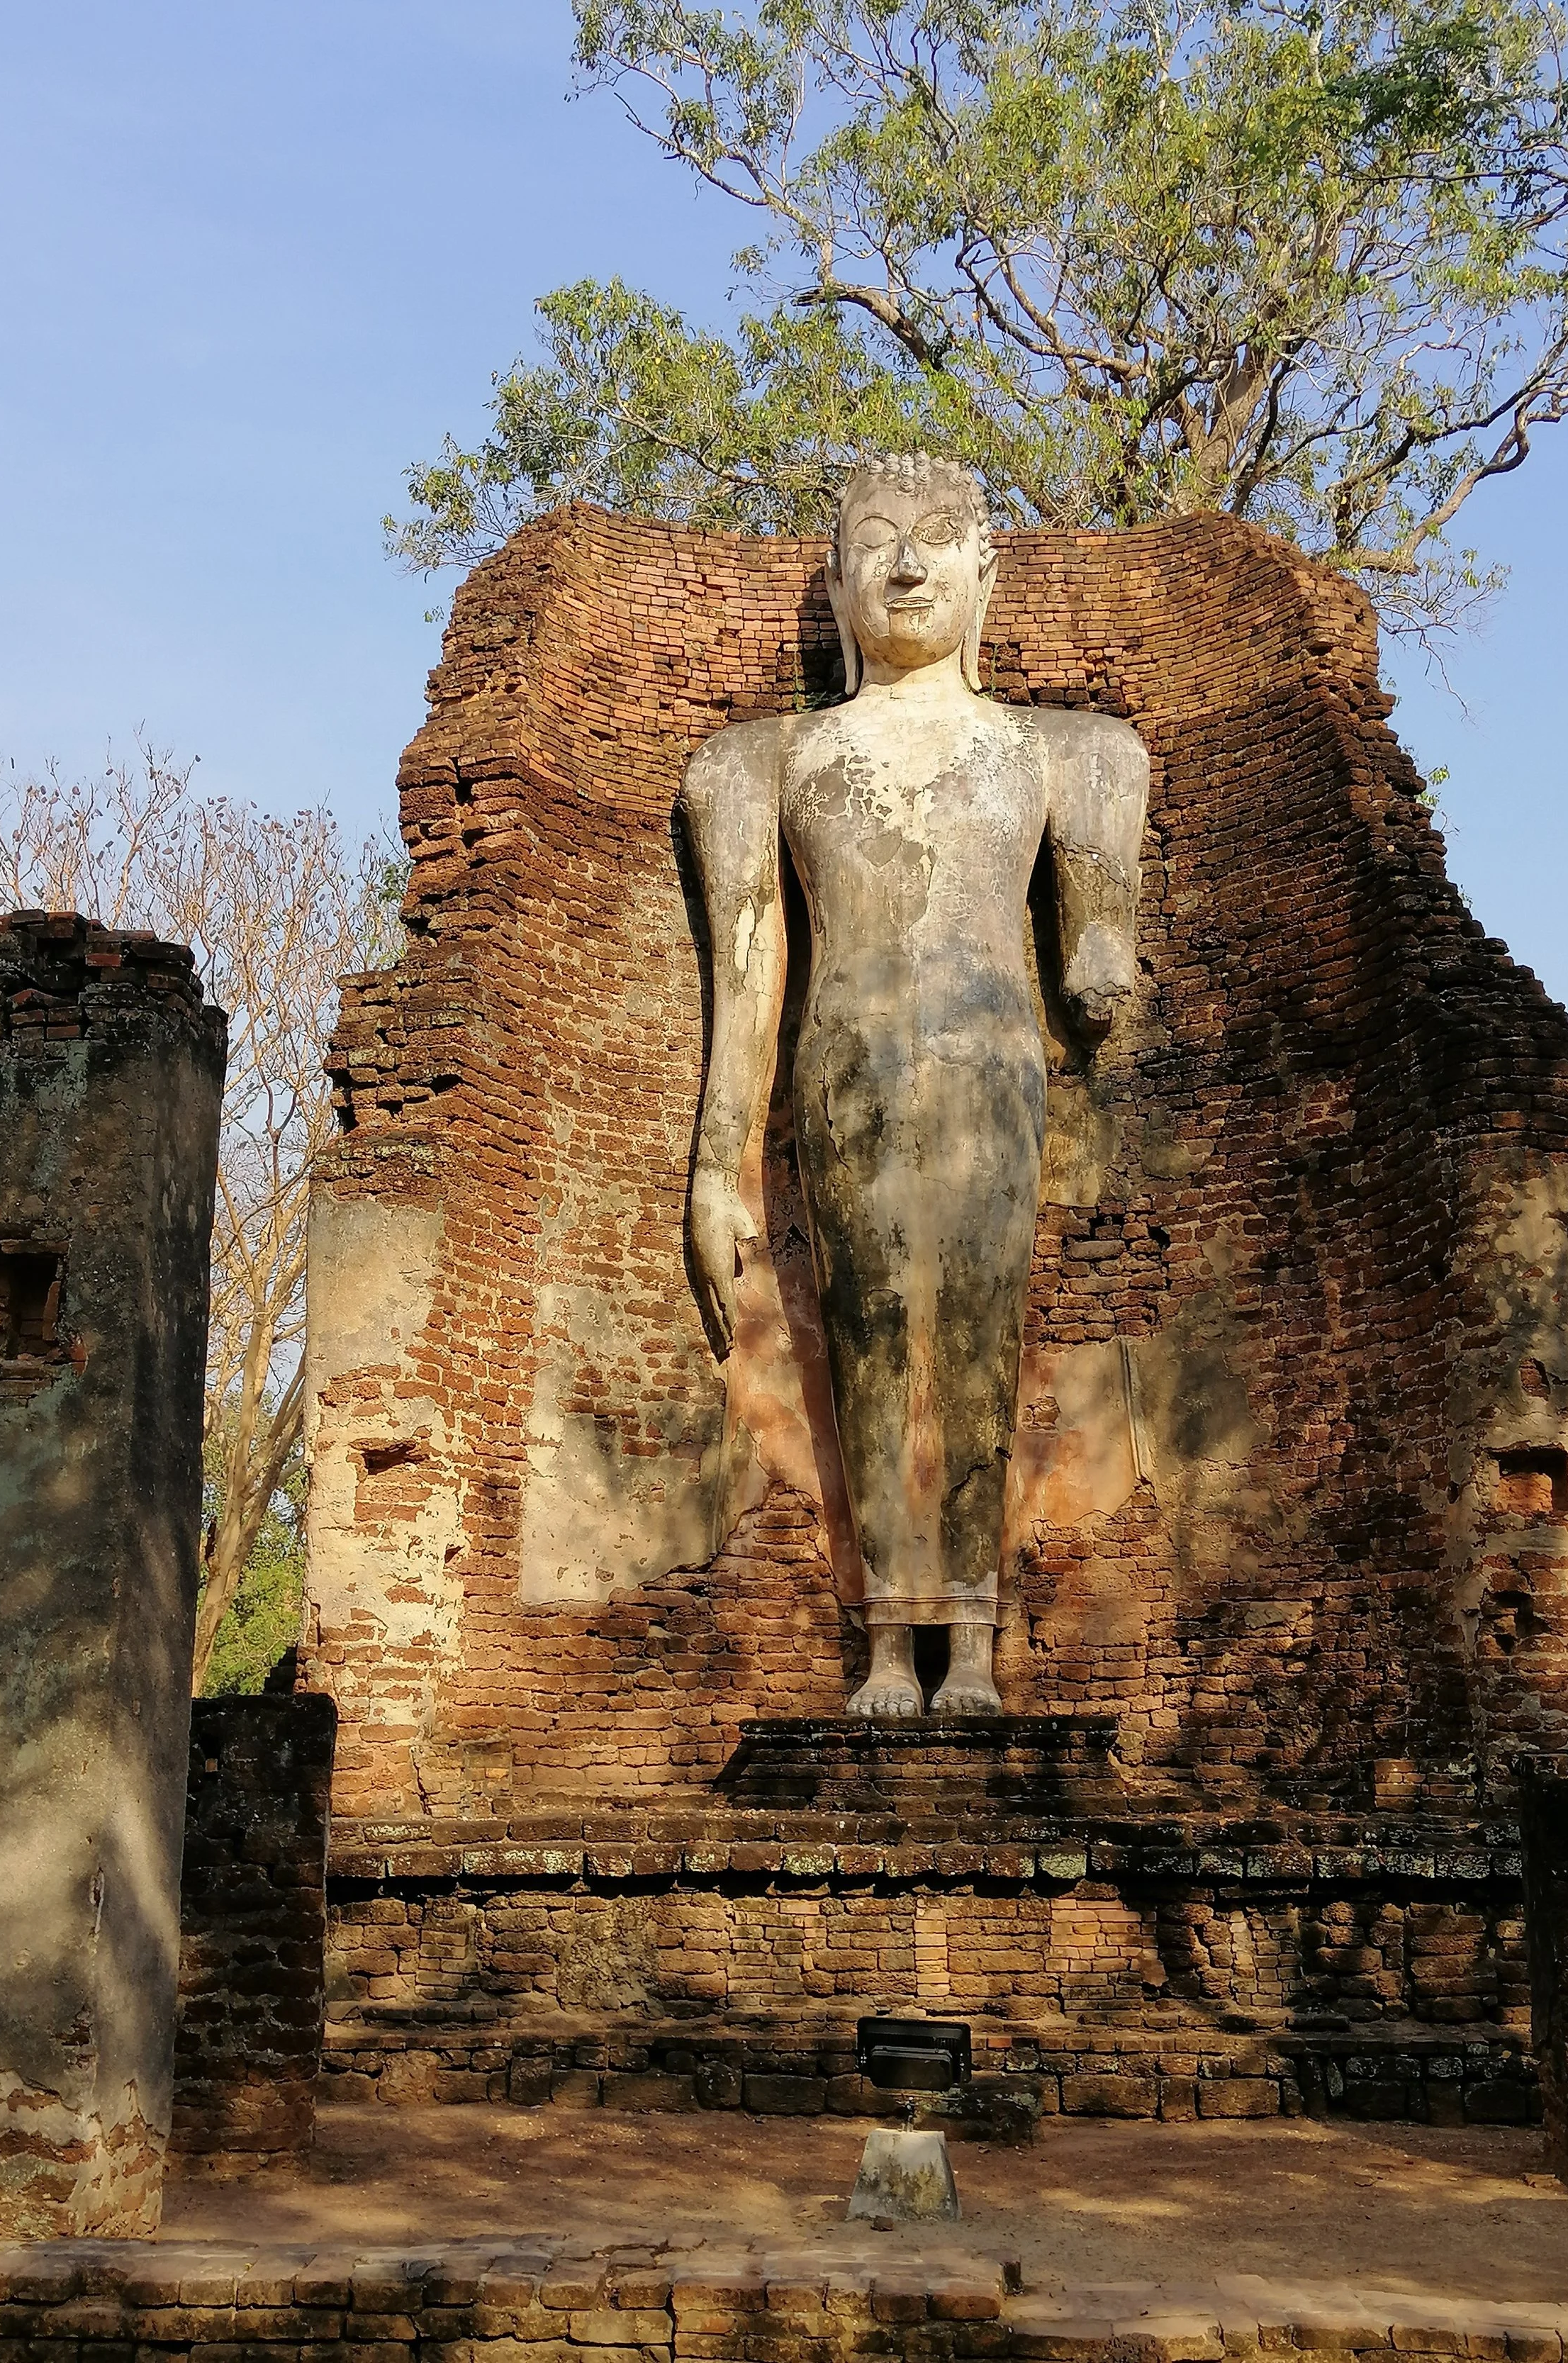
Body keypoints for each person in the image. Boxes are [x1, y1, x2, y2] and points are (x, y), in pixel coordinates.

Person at [681, 453, 1148, 1716]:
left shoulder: (1067, 752)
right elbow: (746, 985)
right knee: (874, 1335)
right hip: (850, 1067)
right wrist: (717, 1167)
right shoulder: (766, 762)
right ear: (837, 584)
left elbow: (1098, 952)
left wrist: (1103, 951)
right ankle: (892, 1640)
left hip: (994, 1066)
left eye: (937, 537)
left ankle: (976, 1644)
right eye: (876, 541)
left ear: (985, 571)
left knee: (984, 1336)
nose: (904, 566)